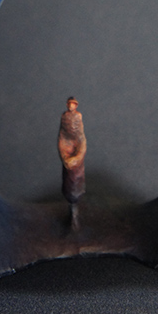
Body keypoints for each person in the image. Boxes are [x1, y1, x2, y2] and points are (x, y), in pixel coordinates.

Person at [58, 97, 87, 228]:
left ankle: (75, 212)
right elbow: (62, 136)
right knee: (69, 181)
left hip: (76, 151)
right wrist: (65, 156)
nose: (71, 107)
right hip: (68, 149)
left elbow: (81, 138)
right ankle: (72, 211)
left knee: (76, 180)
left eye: (73, 104)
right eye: (69, 104)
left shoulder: (78, 117)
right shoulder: (64, 117)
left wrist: (77, 156)